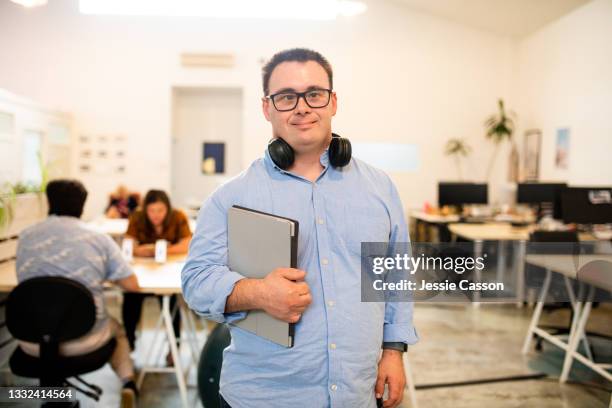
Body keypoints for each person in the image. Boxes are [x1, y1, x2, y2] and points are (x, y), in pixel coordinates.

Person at [182, 48, 418, 408]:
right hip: (264, 395)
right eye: (287, 97)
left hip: (358, 392)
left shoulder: (380, 188)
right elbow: (196, 281)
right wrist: (257, 292)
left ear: (333, 101)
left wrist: (394, 350)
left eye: (314, 94)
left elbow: (395, 277)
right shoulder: (231, 196)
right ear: (267, 108)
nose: (302, 106)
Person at [16, 179, 140, 407]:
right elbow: (132, 285)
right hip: (85, 338)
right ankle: (128, 383)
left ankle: (53, 397)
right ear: (82, 205)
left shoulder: (25, 236)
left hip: (31, 340)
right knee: (118, 330)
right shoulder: (98, 238)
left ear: (49, 202)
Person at [122, 190, 192, 357]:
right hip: (144, 271)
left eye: (160, 210)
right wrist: (142, 251)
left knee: (170, 300)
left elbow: (188, 243)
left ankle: (173, 348)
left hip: (168, 269)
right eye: (151, 211)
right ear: (145, 210)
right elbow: (128, 244)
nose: (156, 215)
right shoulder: (137, 217)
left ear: (167, 209)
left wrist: (162, 251)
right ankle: (129, 343)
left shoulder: (178, 216)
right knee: (130, 296)